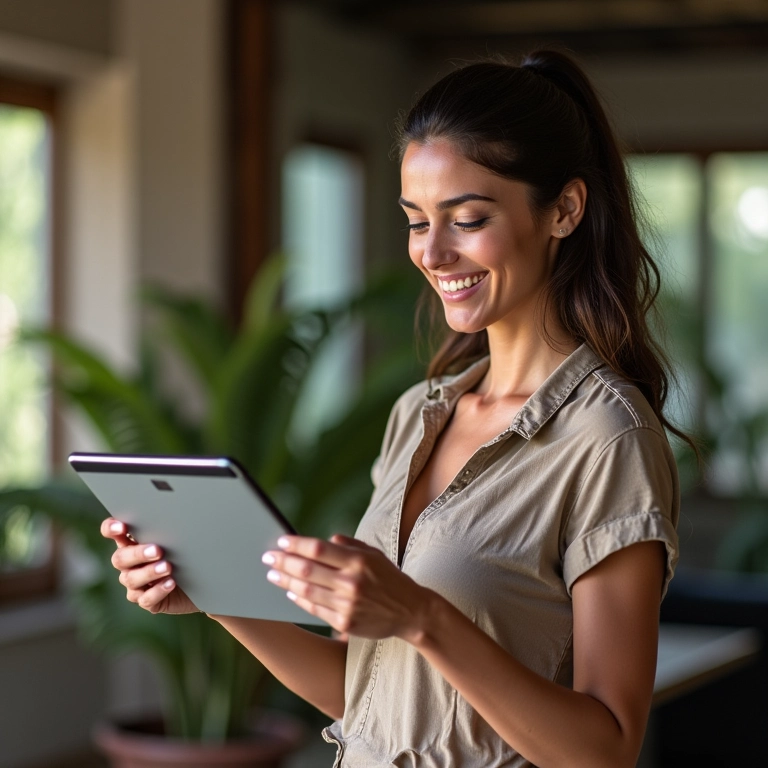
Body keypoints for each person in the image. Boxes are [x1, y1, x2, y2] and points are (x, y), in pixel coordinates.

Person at [103, 50, 686, 768]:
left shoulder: (606, 436)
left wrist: (421, 616)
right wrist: (213, 591)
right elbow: (363, 694)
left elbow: (608, 749)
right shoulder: (419, 415)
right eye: (416, 221)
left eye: (467, 218)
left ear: (564, 209)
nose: (434, 253)